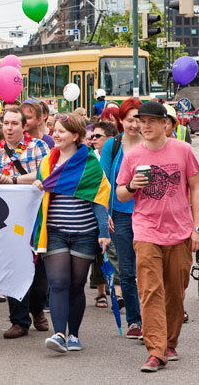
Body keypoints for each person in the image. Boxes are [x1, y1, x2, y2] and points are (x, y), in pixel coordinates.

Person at [116, 101, 199, 372]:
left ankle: (169, 341)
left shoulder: (183, 150)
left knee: (176, 293)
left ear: (165, 123)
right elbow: (120, 193)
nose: (145, 126)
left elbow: (196, 189)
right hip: (145, 231)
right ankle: (156, 351)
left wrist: (197, 227)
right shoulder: (132, 156)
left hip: (179, 232)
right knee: (150, 291)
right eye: (142, 121)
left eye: (151, 121)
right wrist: (132, 186)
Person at [33, 114, 110, 353]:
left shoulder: (90, 163)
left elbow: (99, 197)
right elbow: (39, 195)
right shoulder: (46, 163)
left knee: (76, 286)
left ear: (75, 136)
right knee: (58, 283)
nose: (55, 134)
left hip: (84, 233)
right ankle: (59, 334)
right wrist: (37, 187)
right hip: (54, 231)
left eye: (61, 131)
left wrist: (104, 232)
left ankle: (74, 334)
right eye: (54, 130)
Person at [0, 106, 50, 339]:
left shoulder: (39, 147)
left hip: (35, 217)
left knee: (40, 271)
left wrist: (13, 179)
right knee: (14, 267)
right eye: (6, 123)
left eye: (14, 123)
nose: (9, 128)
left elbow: (45, 174)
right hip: (8, 221)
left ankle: (36, 308)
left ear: (24, 126)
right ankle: (19, 321)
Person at [100, 97, 143, 339]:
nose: (135, 125)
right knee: (127, 270)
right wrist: (104, 213)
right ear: (120, 121)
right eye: (129, 120)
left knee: (149, 268)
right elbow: (105, 181)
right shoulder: (112, 145)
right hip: (121, 214)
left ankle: (154, 316)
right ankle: (134, 321)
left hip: (149, 215)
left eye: (138, 119)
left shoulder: (151, 143)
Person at [88, 120, 119, 307]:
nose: (93, 140)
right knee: (99, 251)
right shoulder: (90, 157)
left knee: (116, 252)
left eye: (97, 136)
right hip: (96, 206)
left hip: (115, 206)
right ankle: (100, 292)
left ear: (108, 139)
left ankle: (118, 289)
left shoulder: (114, 154)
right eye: (91, 136)